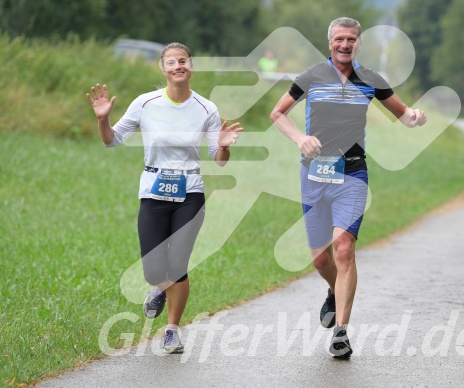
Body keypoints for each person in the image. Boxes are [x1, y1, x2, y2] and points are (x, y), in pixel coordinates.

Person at [270, 17, 426, 359]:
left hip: (353, 174)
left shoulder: (371, 79)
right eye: (339, 39)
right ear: (330, 43)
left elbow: (402, 113)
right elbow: (277, 113)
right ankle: (333, 291)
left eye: (351, 39)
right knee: (320, 258)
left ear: (358, 44)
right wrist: (300, 137)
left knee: (343, 248)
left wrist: (414, 116)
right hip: (314, 173)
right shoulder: (310, 76)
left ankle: (340, 332)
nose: (345, 44)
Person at [85, 42, 243, 354]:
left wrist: (224, 145)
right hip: (153, 191)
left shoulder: (206, 108)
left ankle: (172, 330)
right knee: (153, 269)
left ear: (191, 66)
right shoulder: (145, 103)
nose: (178, 66)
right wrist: (103, 118)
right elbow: (111, 140)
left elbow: (219, 158)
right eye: (171, 62)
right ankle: (159, 288)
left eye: (182, 60)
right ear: (163, 69)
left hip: (190, 192)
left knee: (179, 262)